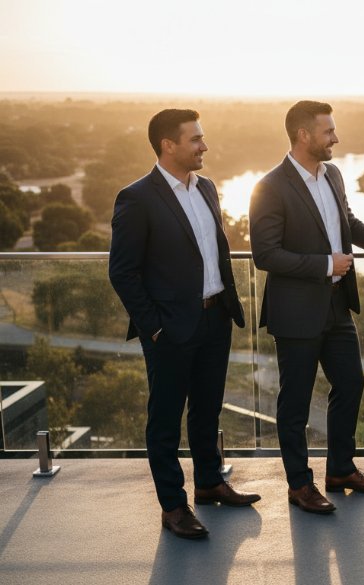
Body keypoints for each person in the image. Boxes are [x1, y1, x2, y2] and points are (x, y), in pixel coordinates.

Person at [109, 109, 259, 540]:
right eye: (195, 139)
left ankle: (210, 483)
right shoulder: (136, 197)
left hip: (215, 320)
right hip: (170, 330)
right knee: (165, 420)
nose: (204, 146)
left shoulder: (207, 188)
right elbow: (122, 271)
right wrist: (154, 328)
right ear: (167, 145)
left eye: (202, 137)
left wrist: (227, 308)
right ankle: (173, 506)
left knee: (208, 409)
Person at [249, 100, 364, 515]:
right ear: (303, 135)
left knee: (351, 384)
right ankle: (300, 485)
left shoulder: (332, 174)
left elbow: (349, 224)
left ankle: (340, 470)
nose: (336, 137)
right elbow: (265, 254)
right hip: (295, 311)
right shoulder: (269, 186)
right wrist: (323, 265)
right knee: (295, 402)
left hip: (337, 305)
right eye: (328, 131)